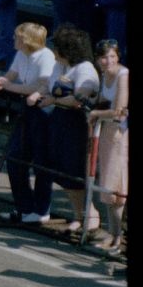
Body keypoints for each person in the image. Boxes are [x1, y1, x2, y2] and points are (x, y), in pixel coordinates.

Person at [0, 22, 58, 223]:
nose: (13, 39)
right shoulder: (21, 54)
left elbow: (41, 85)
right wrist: (1, 81)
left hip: (42, 111)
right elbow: (12, 74)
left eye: (17, 37)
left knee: (41, 161)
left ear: (27, 40)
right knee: (15, 158)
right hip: (27, 108)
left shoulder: (46, 57)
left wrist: (9, 87)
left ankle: (41, 209)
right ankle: (24, 206)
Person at [37, 25, 102, 233]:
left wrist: (53, 100)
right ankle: (77, 214)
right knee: (61, 171)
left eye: (58, 48)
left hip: (78, 124)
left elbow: (79, 98)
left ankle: (90, 215)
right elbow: (49, 87)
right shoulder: (60, 65)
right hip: (59, 119)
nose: (54, 51)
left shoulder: (85, 69)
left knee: (74, 170)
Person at [85, 39, 128, 253]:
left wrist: (95, 114)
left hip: (120, 135)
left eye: (112, 56)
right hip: (107, 133)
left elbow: (119, 110)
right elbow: (103, 100)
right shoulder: (104, 75)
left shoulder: (123, 75)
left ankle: (118, 238)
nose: (108, 61)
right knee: (109, 187)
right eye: (104, 57)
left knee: (116, 188)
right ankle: (113, 235)